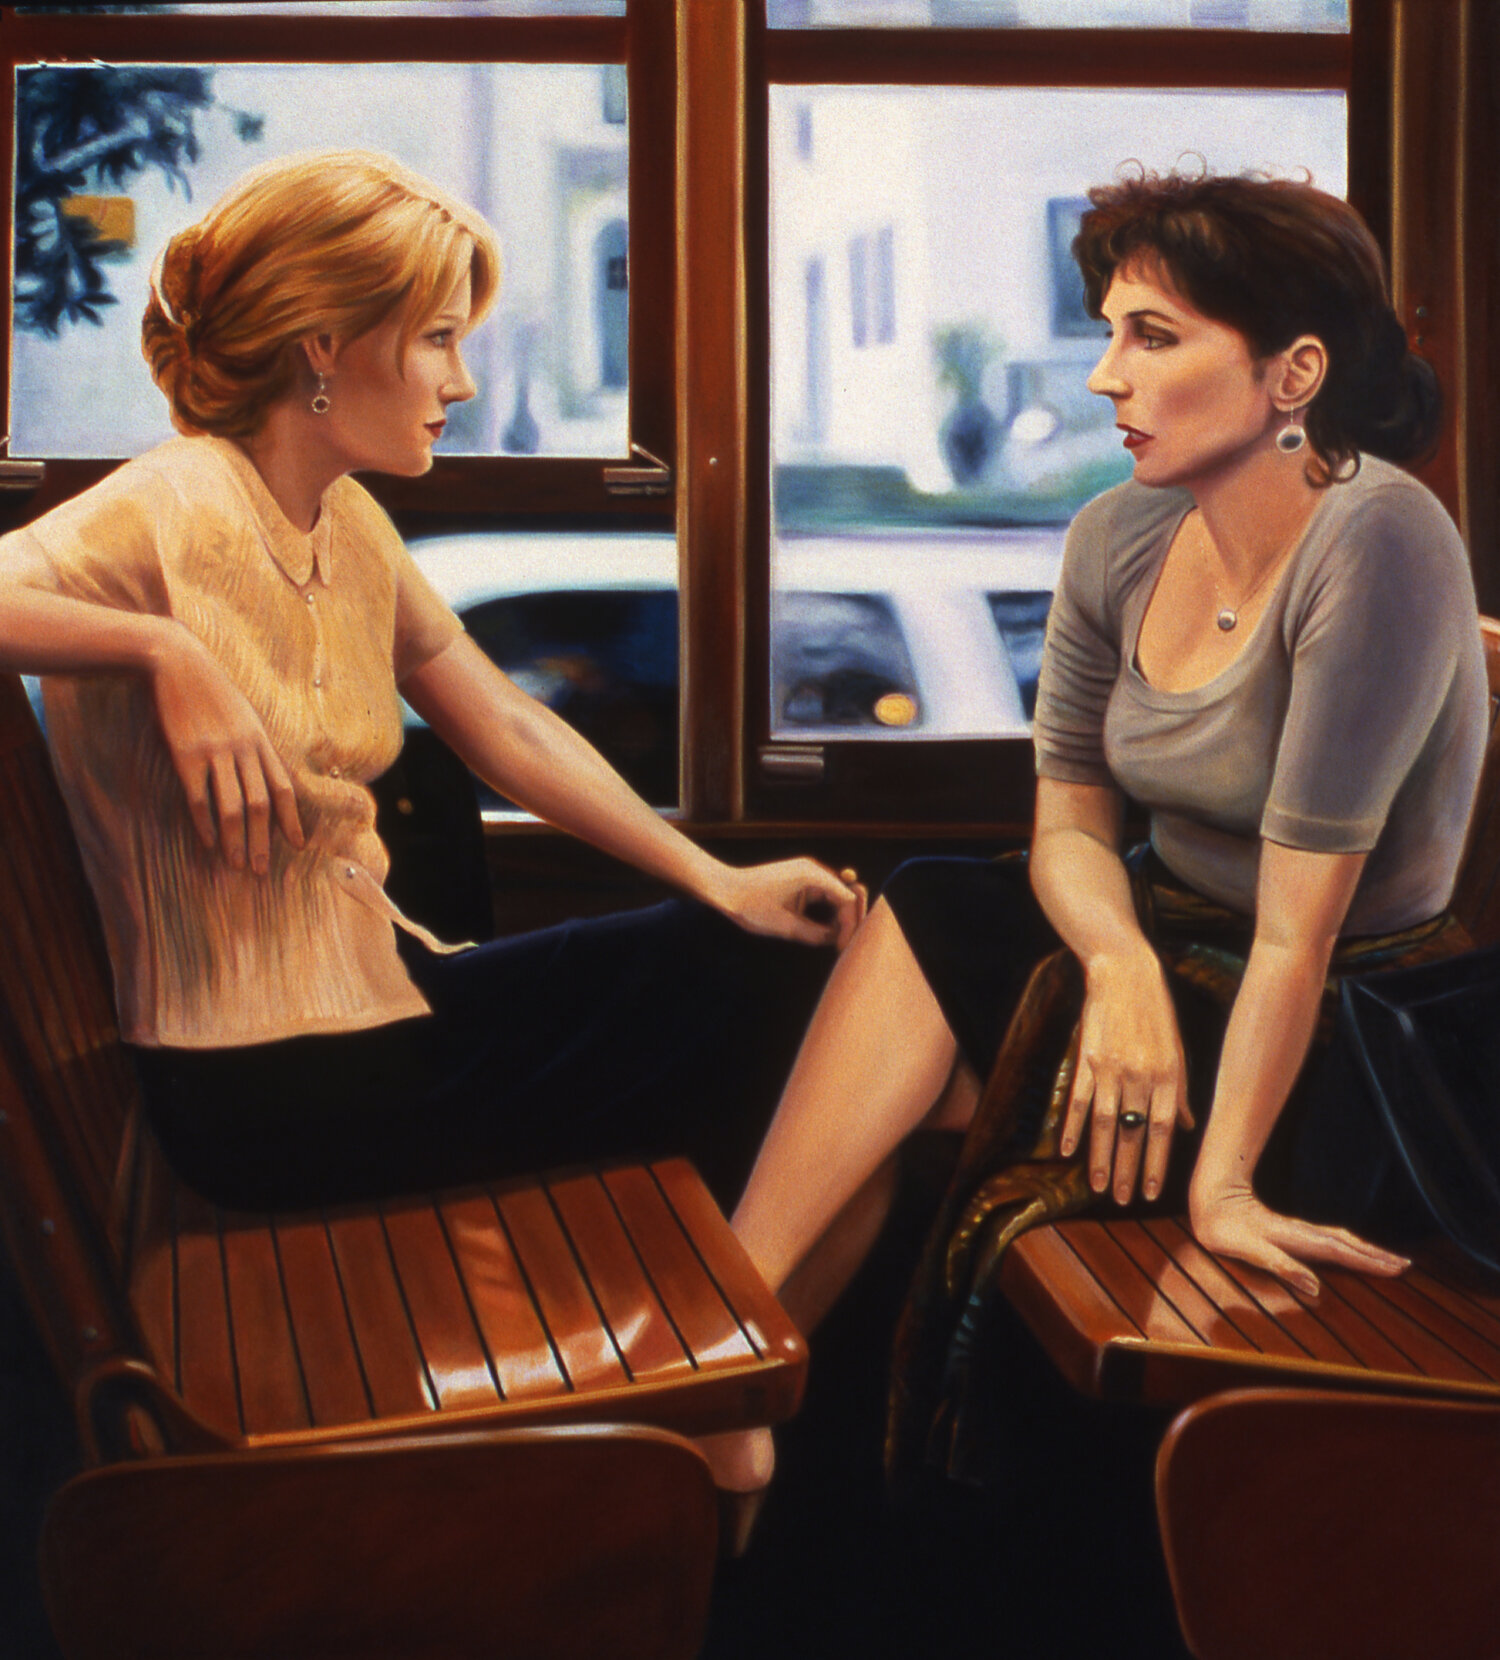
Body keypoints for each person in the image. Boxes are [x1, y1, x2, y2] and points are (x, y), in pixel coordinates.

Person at [713, 169, 1488, 1498]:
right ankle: (742, 1380)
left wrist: (1224, 1186)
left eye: (1154, 336)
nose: (1104, 376)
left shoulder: (1382, 537)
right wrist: (1121, 969)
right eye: (1110, 332)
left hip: (1344, 1021)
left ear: (1295, 373)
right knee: (936, 908)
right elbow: (1068, 822)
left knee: (912, 1086)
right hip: (1168, 941)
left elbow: (1298, 934)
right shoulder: (1116, 537)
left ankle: (735, 1385)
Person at [0, 149, 863, 1299]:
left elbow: (506, 723)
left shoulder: (348, 521)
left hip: (379, 1015)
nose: (459, 381)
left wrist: (718, 877)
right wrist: (165, 651)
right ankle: (738, 1349)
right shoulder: (174, 497)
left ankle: (736, 1339)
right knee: (783, 1009)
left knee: (771, 961)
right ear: (323, 344)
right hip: (260, 1090)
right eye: (439, 339)